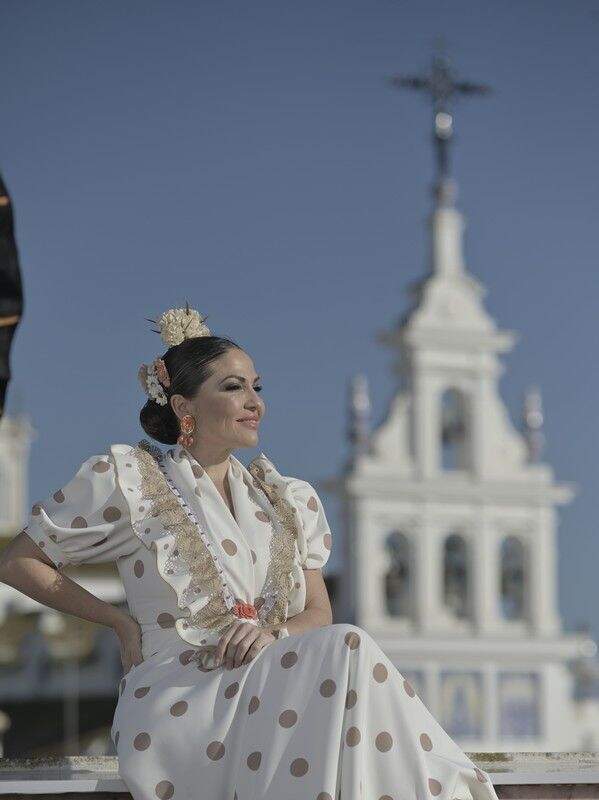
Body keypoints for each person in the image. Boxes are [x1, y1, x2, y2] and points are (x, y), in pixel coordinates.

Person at [0, 304, 499, 800]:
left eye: (257, 387)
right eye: (233, 387)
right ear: (183, 406)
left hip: (274, 685)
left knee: (346, 648)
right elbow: (18, 561)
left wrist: (273, 633)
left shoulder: (285, 498)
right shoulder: (130, 479)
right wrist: (119, 623)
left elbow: (318, 611)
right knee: (348, 649)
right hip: (181, 696)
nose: (253, 401)